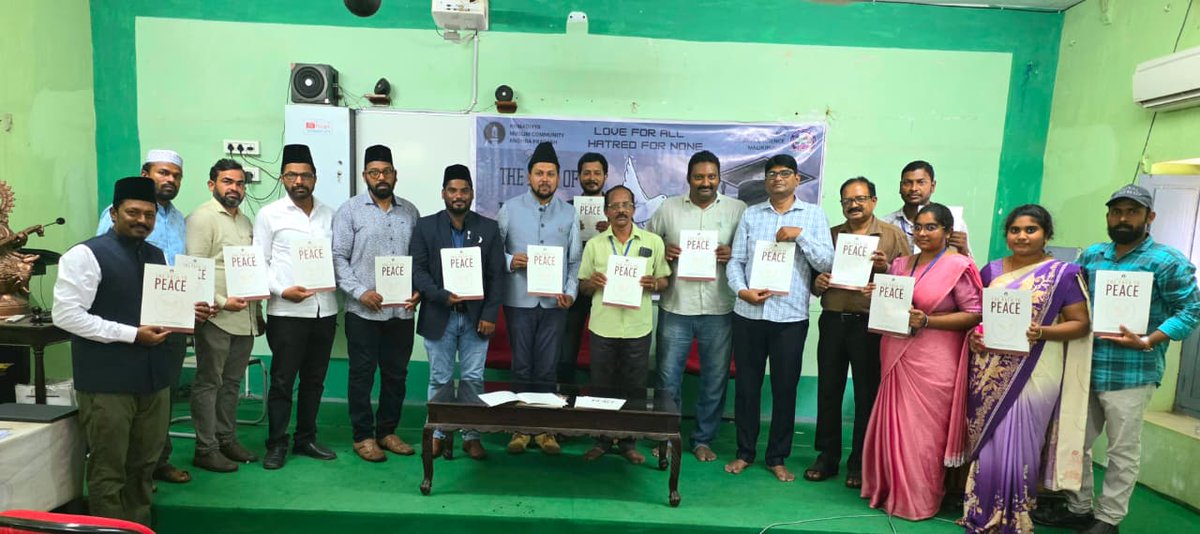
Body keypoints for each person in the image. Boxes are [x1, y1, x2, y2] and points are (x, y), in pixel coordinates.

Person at [1033, 185, 1200, 534]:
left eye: (1132, 212)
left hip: (1132, 372)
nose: (1123, 218)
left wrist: (1150, 339)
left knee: (1122, 450)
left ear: (1149, 217)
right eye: (1116, 212)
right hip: (1085, 367)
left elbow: (1191, 308)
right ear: (1108, 216)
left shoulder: (1167, 261)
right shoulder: (1093, 256)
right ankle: (1079, 508)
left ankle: (1109, 519)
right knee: (1076, 441)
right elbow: (1071, 300)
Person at [55, 177, 213, 525]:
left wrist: (191, 311)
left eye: (149, 215)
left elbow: (159, 308)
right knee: (108, 467)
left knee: (143, 464)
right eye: (133, 212)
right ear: (114, 213)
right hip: (107, 383)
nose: (142, 220)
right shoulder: (85, 255)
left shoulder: (155, 254)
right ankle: (108, 530)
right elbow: (65, 315)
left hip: (153, 380)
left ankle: (139, 527)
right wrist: (131, 335)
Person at [960, 204, 1092, 533]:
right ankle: (981, 509)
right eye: (1015, 230)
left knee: (1023, 444)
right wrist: (975, 339)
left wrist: (1042, 332)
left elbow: (1081, 324)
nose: (1022, 236)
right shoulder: (990, 271)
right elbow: (981, 318)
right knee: (990, 443)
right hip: (990, 369)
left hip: (1037, 369)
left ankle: (1013, 514)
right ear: (1006, 234)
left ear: (1046, 235)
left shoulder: (1063, 274)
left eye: (1030, 230)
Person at [860, 202, 983, 520]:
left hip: (935, 359)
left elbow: (974, 314)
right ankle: (892, 491)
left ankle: (920, 499)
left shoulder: (959, 266)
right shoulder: (901, 264)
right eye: (918, 226)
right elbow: (895, 302)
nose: (923, 233)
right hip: (896, 352)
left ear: (947, 231)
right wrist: (879, 293)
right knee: (896, 425)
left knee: (924, 435)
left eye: (931, 227)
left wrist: (928, 321)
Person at [724, 154, 834, 482]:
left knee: (785, 388)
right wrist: (742, 291)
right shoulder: (751, 215)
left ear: (797, 179)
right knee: (747, 386)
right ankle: (745, 452)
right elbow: (735, 261)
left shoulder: (813, 216)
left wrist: (799, 235)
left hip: (790, 317)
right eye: (771, 174)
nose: (777, 179)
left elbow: (827, 262)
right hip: (748, 312)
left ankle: (776, 456)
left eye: (785, 173)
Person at [95, 149, 192, 485]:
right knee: (127, 401)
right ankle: (127, 468)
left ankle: (157, 461)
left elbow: (183, 269)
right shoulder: (117, 216)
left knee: (163, 394)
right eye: (163, 173)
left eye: (176, 175)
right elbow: (109, 264)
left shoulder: (180, 218)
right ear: (145, 172)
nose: (170, 180)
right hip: (129, 323)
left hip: (172, 319)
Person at [806, 177, 909, 488]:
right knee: (828, 390)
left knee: (866, 394)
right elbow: (812, 276)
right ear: (841, 205)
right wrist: (818, 284)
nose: (854, 204)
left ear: (874, 201)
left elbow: (908, 280)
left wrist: (887, 268)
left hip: (870, 324)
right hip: (833, 319)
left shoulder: (892, 235)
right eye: (848, 199)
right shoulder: (831, 235)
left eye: (861, 198)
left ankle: (860, 461)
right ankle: (827, 456)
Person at [646, 150, 745, 462]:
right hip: (676, 305)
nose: (706, 182)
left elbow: (748, 251)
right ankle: (665, 436)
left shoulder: (738, 210)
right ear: (688, 178)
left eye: (711, 176)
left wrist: (733, 252)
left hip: (719, 307)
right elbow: (645, 245)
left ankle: (702, 439)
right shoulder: (668, 208)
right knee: (666, 379)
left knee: (714, 380)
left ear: (719, 178)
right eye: (699, 177)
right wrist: (664, 253)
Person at [332, 144, 422, 463]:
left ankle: (387, 431)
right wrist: (360, 292)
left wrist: (418, 291)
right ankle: (363, 436)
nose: (380, 177)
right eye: (374, 172)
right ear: (364, 176)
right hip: (364, 311)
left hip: (401, 311)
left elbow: (419, 260)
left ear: (395, 175)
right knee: (362, 374)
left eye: (386, 171)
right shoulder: (350, 211)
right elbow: (338, 258)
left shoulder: (410, 212)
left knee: (397, 374)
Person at [411, 164, 505, 461]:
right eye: (452, 190)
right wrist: (441, 295)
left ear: (472, 194)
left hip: (477, 317)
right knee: (439, 379)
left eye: (464, 190)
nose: (458, 196)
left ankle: (471, 435)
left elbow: (496, 276)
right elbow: (418, 270)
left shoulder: (488, 228)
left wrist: (490, 314)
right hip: (440, 314)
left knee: (473, 378)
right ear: (443, 193)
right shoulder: (426, 227)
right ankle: (438, 433)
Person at [255, 144, 339, 470]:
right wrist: (280, 289)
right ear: (283, 178)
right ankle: (276, 443)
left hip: (325, 309)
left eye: (305, 175)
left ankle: (306, 438)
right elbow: (259, 262)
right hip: (286, 311)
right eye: (292, 175)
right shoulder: (269, 215)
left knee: (315, 380)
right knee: (282, 381)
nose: (299, 181)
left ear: (315, 178)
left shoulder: (330, 215)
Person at [497, 141, 581, 455]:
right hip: (518, 300)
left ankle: (545, 430)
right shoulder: (510, 209)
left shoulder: (569, 214)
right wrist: (510, 261)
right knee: (521, 366)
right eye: (539, 173)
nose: (544, 179)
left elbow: (574, 261)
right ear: (529, 177)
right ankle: (520, 429)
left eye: (550, 174)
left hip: (553, 304)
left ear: (559, 178)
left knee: (547, 368)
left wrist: (570, 293)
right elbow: (496, 251)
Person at [578, 185, 670, 464]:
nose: (621, 210)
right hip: (603, 327)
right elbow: (582, 286)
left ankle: (629, 442)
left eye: (626, 205)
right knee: (601, 387)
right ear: (606, 211)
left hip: (637, 328)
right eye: (615, 205)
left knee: (634, 388)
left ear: (634, 209)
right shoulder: (595, 244)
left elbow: (664, 279)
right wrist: (591, 283)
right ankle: (602, 440)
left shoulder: (653, 242)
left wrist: (654, 283)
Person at [186, 158, 263, 473]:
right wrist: (220, 300)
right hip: (216, 316)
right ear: (211, 185)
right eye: (227, 181)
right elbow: (194, 268)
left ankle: (226, 439)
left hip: (244, 318)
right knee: (209, 382)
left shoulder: (244, 221)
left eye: (240, 183)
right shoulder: (202, 219)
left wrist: (258, 312)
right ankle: (206, 448)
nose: (235, 188)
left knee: (231, 383)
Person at [559, 152, 609, 383]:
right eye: (586, 173)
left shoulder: (616, 210)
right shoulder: (566, 210)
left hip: (606, 285)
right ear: (578, 176)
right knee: (567, 344)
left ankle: (603, 400)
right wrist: (567, 230)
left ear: (605, 176)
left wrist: (612, 230)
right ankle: (565, 395)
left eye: (597, 173)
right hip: (574, 282)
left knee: (606, 346)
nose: (591, 177)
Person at [881, 160, 970, 255]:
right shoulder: (886, 224)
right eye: (907, 183)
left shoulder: (953, 222)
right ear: (900, 187)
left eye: (921, 182)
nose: (913, 188)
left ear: (933, 186)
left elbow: (971, 267)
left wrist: (964, 251)